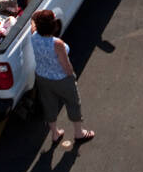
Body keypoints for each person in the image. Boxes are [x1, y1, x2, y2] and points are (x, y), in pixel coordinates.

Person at [29, 9, 94, 148]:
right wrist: (71, 75)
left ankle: (55, 133)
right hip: (61, 79)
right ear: (54, 26)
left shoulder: (34, 36)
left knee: (49, 104)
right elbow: (66, 66)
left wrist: (37, 15)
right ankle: (79, 133)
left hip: (42, 77)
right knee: (73, 103)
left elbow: (33, 20)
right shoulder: (57, 44)